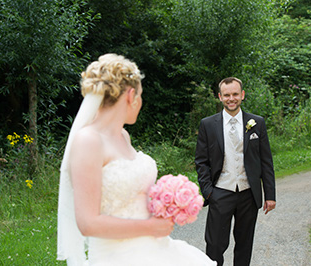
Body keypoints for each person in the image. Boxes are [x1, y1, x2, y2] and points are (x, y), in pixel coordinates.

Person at [57, 53, 216, 266]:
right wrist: (151, 227)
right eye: (140, 95)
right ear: (131, 95)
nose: (140, 102)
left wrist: (170, 202)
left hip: (155, 249)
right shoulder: (89, 140)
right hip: (118, 257)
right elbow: (88, 223)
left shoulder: (123, 136)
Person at [195, 77, 276, 266]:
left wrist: (270, 195)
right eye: (227, 95)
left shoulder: (257, 122)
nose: (231, 98)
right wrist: (208, 191)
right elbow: (201, 161)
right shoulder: (208, 124)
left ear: (242, 95)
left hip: (248, 193)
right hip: (220, 192)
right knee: (214, 245)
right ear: (220, 97)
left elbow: (266, 161)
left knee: (244, 245)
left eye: (235, 94)